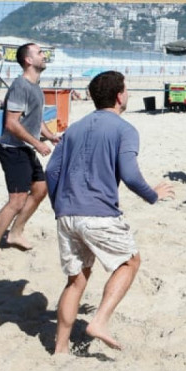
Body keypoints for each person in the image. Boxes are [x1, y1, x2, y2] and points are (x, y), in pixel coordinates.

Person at [46, 71, 174, 354]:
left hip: (66, 212)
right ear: (119, 96)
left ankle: (60, 349)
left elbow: (51, 171)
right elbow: (130, 174)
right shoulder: (124, 128)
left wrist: (60, 206)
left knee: (76, 280)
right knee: (130, 262)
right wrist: (153, 195)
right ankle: (100, 321)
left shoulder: (75, 128)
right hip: (98, 213)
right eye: (126, 89)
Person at [0, 43, 63, 260]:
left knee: (40, 190)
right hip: (12, 149)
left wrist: (50, 135)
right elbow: (11, 123)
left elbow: (36, 120)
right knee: (16, 200)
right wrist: (37, 144)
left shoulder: (35, 86)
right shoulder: (21, 86)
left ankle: (15, 232)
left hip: (24, 147)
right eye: (39, 53)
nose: (44, 55)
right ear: (28, 60)